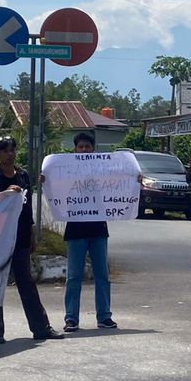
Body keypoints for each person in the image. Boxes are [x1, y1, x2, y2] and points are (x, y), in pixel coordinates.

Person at [0, 136, 62, 346]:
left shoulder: (22, 176)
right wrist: (5, 195)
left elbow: (27, 208)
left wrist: (31, 233)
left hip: (21, 237)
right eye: (5, 151)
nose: (10, 154)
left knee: (27, 284)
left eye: (12, 150)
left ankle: (41, 328)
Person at [61, 129, 121, 332]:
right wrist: (46, 180)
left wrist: (135, 180)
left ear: (93, 149)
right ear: (75, 150)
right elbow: (55, 188)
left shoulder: (104, 169)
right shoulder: (66, 171)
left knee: (102, 275)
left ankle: (104, 316)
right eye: (81, 147)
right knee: (74, 276)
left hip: (98, 228)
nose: (84, 150)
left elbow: (120, 181)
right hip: (76, 228)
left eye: (87, 146)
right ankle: (71, 318)